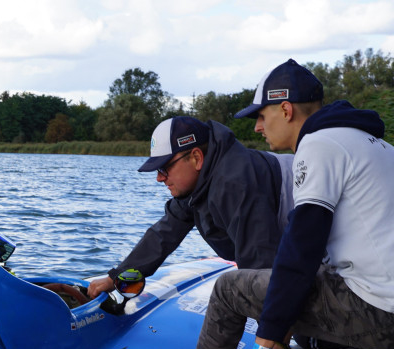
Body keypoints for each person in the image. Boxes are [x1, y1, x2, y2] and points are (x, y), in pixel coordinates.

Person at [119, 59, 394, 349]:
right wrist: (118, 274)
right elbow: (169, 226)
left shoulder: (318, 146)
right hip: (383, 301)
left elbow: (299, 251)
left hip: (380, 312)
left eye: (262, 116)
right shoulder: (369, 141)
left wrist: (267, 342)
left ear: (286, 109)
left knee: (230, 289)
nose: (259, 127)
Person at [87, 116, 294, 299]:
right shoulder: (200, 181)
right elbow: (164, 233)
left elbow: (261, 268)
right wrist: (116, 277)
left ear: (196, 158)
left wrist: (268, 336)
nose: (159, 178)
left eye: (164, 168)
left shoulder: (236, 183)